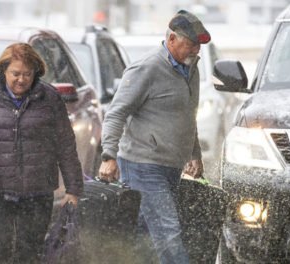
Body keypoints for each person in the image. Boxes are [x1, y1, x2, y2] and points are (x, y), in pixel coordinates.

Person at [0, 43, 83, 264]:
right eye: (15, 73)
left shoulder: (49, 97)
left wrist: (73, 190)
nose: (21, 80)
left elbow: (66, 145)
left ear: (36, 73)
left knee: (29, 254)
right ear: (3, 70)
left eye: (27, 74)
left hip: (38, 192)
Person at [99, 10, 210, 264]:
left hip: (171, 166)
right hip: (143, 164)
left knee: (146, 234)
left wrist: (194, 154)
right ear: (172, 39)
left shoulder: (191, 69)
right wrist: (109, 155)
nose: (195, 50)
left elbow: (188, 115)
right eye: (191, 44)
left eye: (198, 46)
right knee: (168, 233)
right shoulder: (146, 69)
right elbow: (115, 114)